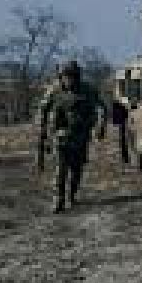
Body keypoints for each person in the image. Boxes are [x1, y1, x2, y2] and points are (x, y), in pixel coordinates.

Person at [38, 60, 107, 213]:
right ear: (61, 77)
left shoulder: (88, 90)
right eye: (66, 76)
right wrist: (43, 132)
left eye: (72, 76)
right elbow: (43, 109)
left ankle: (72, 195)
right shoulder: (54, 90)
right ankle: (58, 199)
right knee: (60, 169)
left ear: (77, 76)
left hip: (81, 137)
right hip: (61, 137)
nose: (69, 80)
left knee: (77, 169)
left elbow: (102, 107)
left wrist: (101, 126)